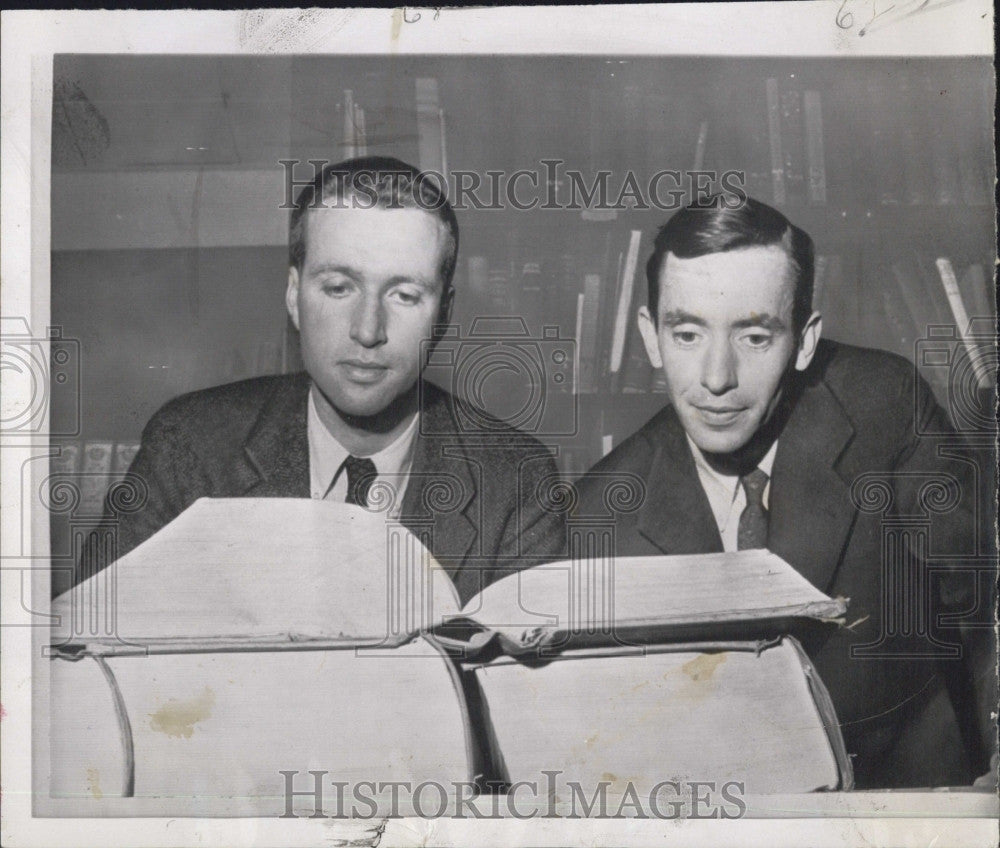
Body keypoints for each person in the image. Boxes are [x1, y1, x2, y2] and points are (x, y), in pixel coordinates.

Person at [573, 196, 995, 788]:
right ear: (650, 337)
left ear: (803, 340)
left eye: (753, 337)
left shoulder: (885, 407)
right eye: (688, 333)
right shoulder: (600, 510)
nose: (717, 378)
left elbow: (986, 603)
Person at [78, 156, 565, 606]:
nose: (368, 330)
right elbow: (91, 652)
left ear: (443, 315)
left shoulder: (518, 483)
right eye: (338, 288)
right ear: (294, 295)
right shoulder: (189, 446)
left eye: (404, 295)